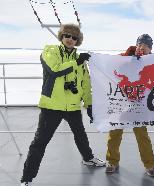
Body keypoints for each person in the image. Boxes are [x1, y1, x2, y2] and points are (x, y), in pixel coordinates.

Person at [20, 24, 105, 186]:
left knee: (81, 135)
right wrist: (75, 62)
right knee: (40, 142)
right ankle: (27, 178)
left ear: (78, 40)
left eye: (74, 37)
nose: (70, 39)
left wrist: (90, 105)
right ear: (61, 36)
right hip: (52, 106)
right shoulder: (50, 51)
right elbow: (55, 69)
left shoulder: (81, 61)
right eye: (67, 35)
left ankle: (88, 159)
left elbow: (85, 84)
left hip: (72, 106)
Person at [105, 34, 154, 177]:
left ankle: (149, 164)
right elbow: (110, 64)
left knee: (142, 135)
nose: (142, 48)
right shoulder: (125, 56)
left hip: (138, 105)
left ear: (150, 49)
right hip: (121, 102)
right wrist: (128, 57)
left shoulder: (152, 63)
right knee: (114, 132)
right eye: (140, 45)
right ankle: (112, 161)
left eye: (146, 46)